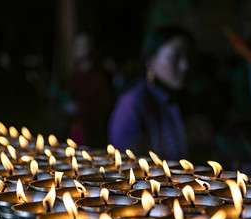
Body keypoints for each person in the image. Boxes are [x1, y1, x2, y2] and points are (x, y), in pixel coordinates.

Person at [108, 26, 193, 160]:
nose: (185, 66)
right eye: (175, 57)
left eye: (189, 56)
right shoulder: (133, 103)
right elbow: (127, 166)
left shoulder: (189, 100)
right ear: (150, 60)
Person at [68, 32, 114, 147]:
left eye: (83, 46)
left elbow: (104, 102)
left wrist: (80, 107)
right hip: (77, 126)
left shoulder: (98, 75)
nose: (79, 49)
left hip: (94, 127)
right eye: (76, 46)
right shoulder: (76, 74)